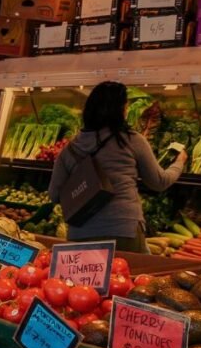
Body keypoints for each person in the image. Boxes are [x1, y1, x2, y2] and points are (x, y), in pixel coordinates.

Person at [48, 81, 187, 253]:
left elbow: (54, 195)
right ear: (120, 110)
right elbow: (159, 182)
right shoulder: (132, 140)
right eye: (125, 106)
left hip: (80, 233)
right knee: (128, 278)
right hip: (123, 230)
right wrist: (179, 162)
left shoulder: (70, 149)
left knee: (84, 281)